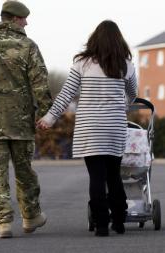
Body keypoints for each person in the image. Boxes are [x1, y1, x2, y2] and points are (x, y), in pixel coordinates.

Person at [37, 20, 137, 236]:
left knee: (97, 177)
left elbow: (65, 94)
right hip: (114, 127)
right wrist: (122, 105)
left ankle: (102, 225)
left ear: (95, 39)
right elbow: (133, 94)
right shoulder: (126, 65)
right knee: (114, 176)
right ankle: (119, 221)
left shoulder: (82, 63)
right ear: (119, 40)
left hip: (90, 128)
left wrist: (49, 118)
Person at [0, 0, 52, 238]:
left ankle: (3, 224)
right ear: (14, 19)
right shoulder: (27, 45)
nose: (26, 22)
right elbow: (40, 82)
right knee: (24, 172)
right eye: (24, 18)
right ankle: (30, 216)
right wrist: (47, 113)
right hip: (21, 123)